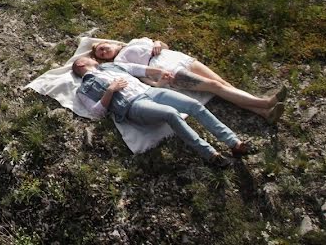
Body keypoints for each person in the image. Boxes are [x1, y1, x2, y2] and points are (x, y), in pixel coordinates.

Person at [72, 56, 252, 167]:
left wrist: (161, 72)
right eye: (89, 58)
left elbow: (137, 69)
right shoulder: (84, 89)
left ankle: (234, 142)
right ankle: (210, 154)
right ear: (81, 64)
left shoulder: (111, 66)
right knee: (171, 113)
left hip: (151, 91)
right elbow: (96, 113)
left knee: (193, 105)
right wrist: (110, 91)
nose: (94, 59)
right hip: (132, 105)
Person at [92, 38, 286, 123]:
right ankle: (265, 102)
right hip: (168, 70)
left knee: (224, 84)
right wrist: (158, 83)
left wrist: (159, 43)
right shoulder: (119, 61)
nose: (103, 51)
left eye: (103, 46)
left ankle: (263, 113)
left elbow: (162, 44)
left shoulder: (134, 41)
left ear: (110, 42)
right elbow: (140, 78)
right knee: (216, 87)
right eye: (100, 53)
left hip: (177, 57)